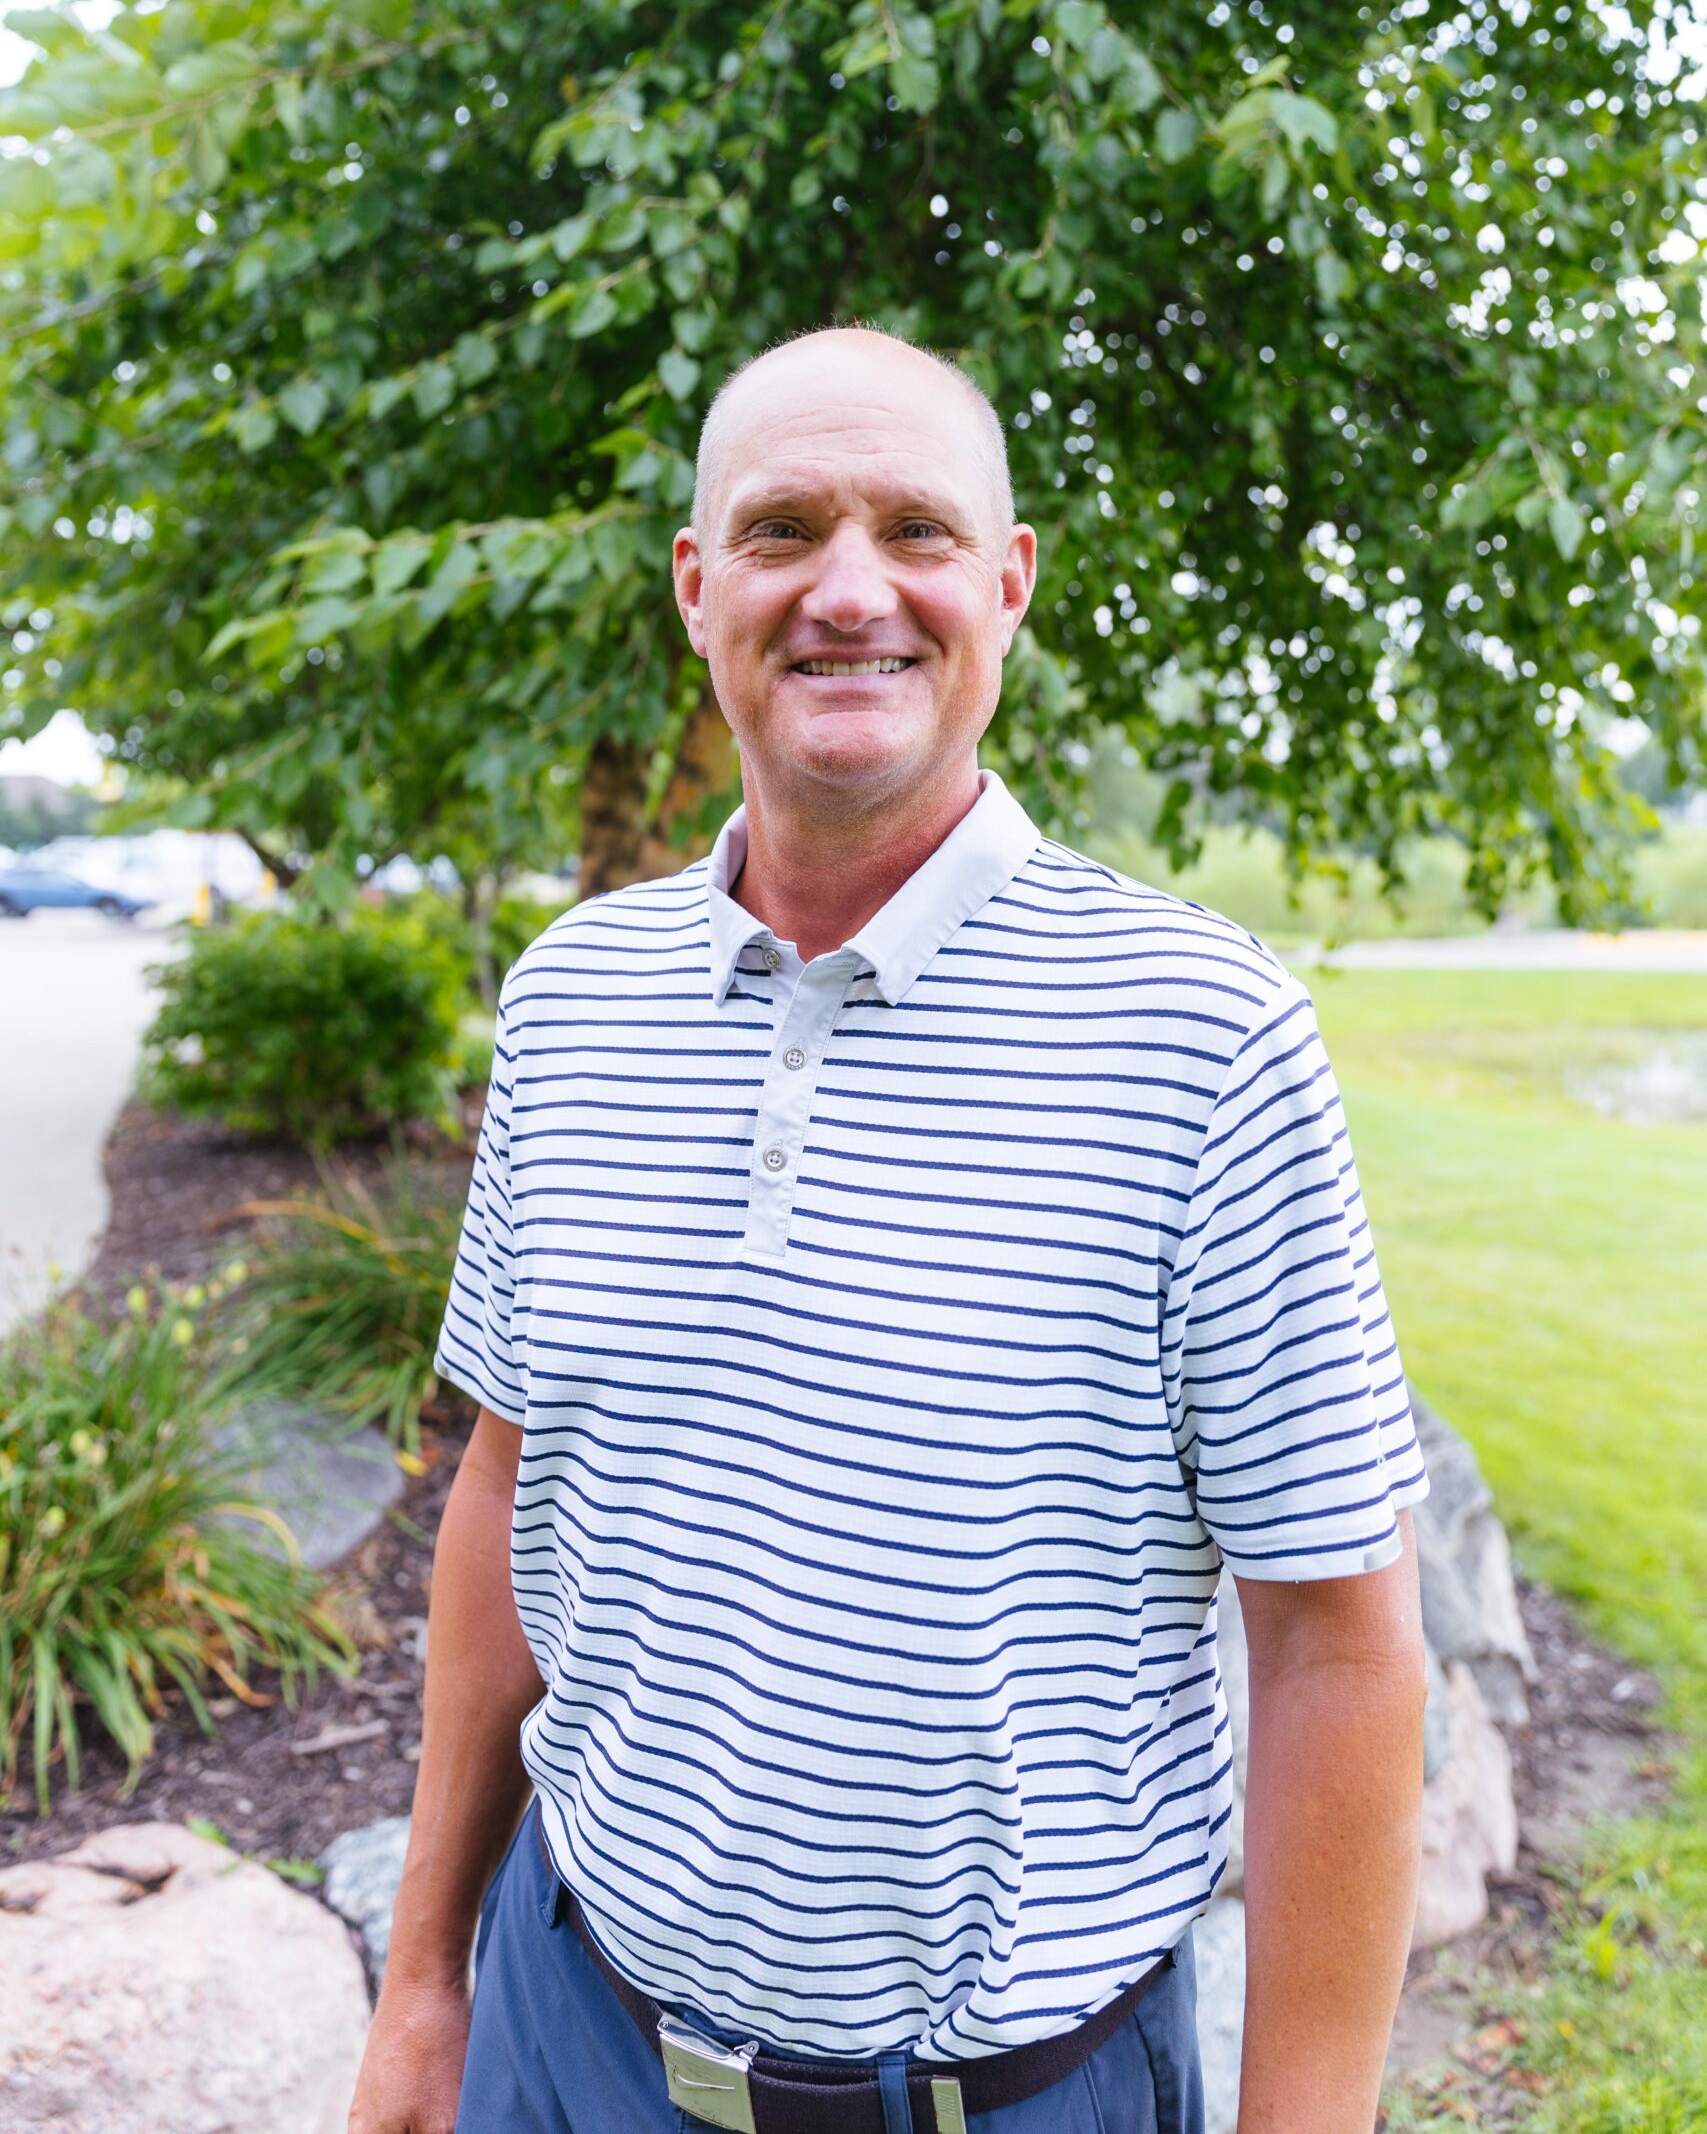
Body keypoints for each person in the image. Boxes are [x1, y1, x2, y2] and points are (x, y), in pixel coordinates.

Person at [349, 326, 1430, 2134]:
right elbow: (505, 1488)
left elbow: (1337, 1642)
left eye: (916, 531)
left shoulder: (1202, 1035)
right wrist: (426, 1981)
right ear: (700, 593)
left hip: (1007, 2098)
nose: (852, 593)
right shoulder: (571, 1002)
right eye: (783, 531)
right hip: (569, 2037)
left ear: (1006, 586)